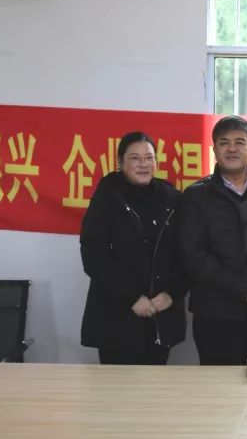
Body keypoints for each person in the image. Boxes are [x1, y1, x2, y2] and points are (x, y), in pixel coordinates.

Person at [180, 116, 247, 365]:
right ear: (214, 150)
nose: (231, 148)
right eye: (224, 142)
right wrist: (242, 289)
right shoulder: (196, 195)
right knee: (220, 385)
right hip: (216, 314)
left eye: (240, 142)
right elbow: (192, 255)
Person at [79, 131, 186, 365]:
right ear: (120, 162)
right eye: (135, 158)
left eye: (149, 158)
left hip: (160, 314)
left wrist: (172, 292)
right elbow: (93, 255)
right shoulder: (108, 196)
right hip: (117, 317)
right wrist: (132, 297)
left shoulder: (172, 198)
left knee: (154, 385)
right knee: (118, 386)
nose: (143, 164)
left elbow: (186, 252)